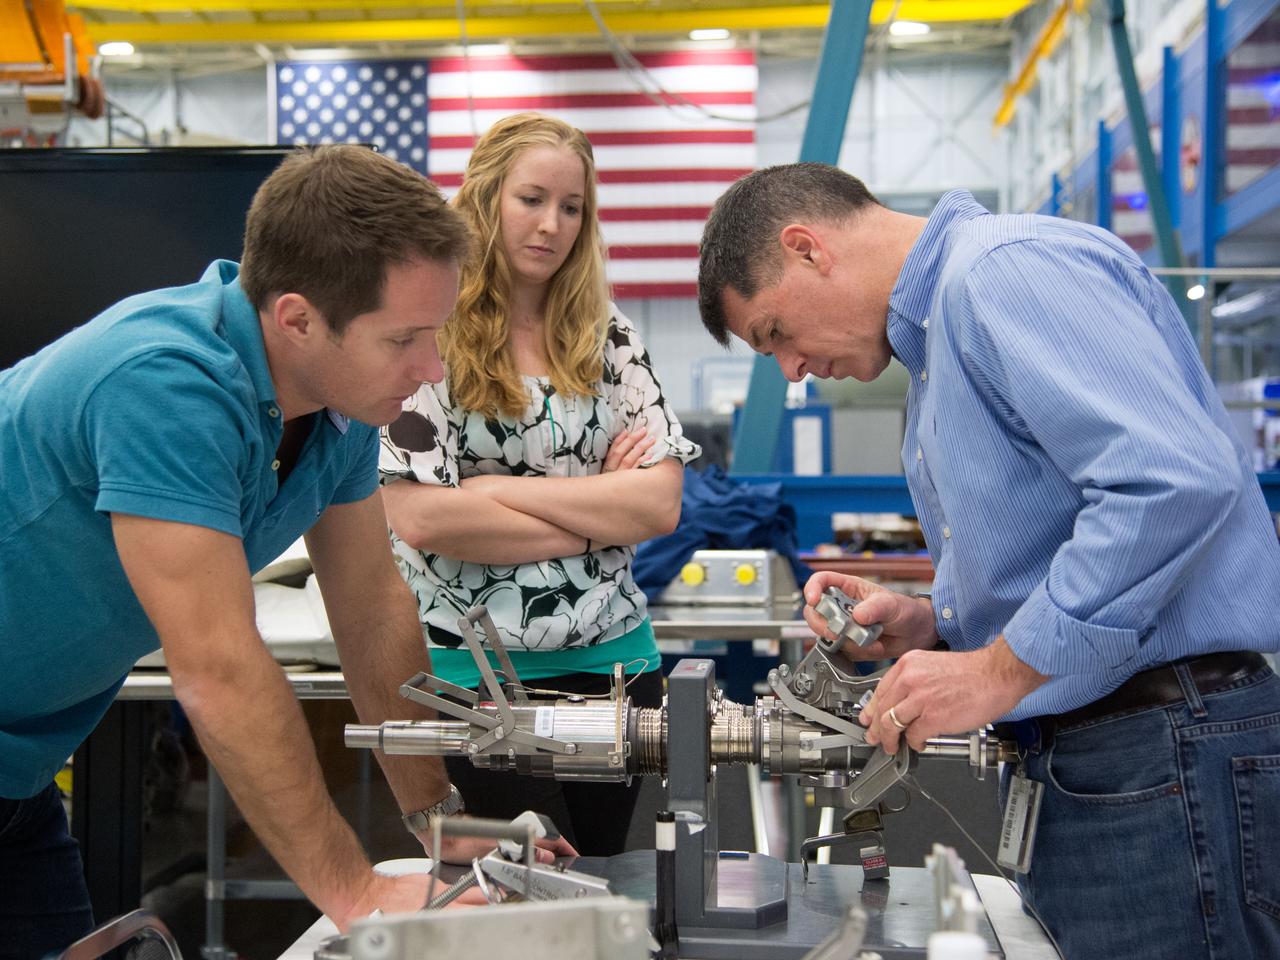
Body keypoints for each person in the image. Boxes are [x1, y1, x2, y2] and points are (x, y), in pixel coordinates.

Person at [0, 144, 572, 958]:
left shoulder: (336, 408)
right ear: (297, 318)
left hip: (18, 777)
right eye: (405, 337)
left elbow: (373, 611)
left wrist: (439, 821)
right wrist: (361, 896)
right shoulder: (164, 384)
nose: (432, 367)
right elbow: (219, 670)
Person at [697, 162, 1280, 960]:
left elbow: (1169, 481)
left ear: (807, 249)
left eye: (773, 334)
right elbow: (1062, 526)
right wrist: (936, 622)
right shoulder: (939, 338)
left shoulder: (999, 274)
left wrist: (998, 671)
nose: (792, 370)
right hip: (1107, 756)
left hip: (1161, 747)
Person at [379, 112, 700, 855]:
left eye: (571, 207)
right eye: (531, 199)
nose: (551, 224)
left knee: (603, 888)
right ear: (486, 197)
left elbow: (659, 501)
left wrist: (491, 492)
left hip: (616, 665)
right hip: (476, 672)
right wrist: (601, 515)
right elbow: (421, 516)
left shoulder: (607, 333)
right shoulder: (432, 329)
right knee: (521, 896)